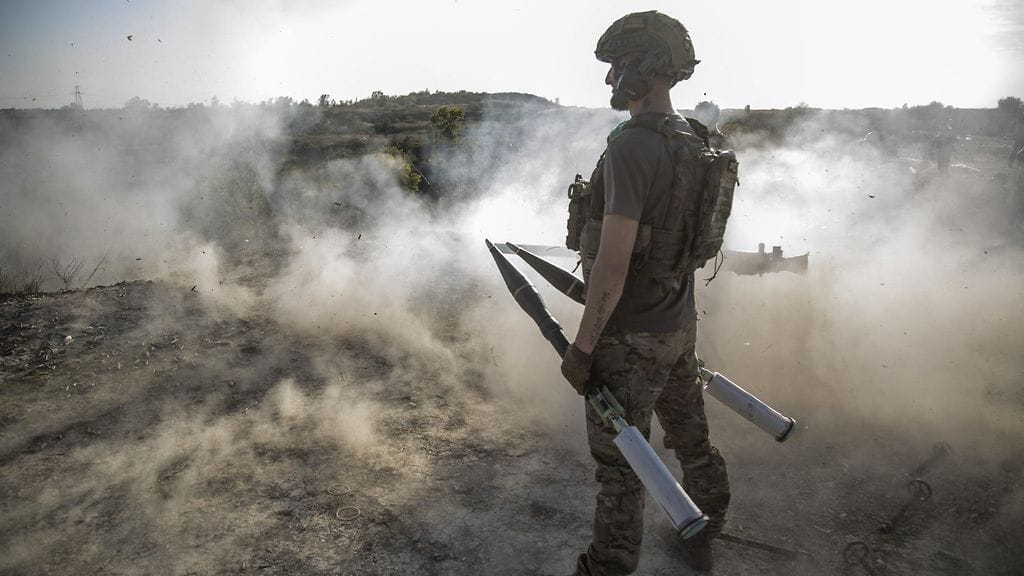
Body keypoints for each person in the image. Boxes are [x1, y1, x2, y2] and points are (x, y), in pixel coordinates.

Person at [559, 11, 731, 575]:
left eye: (620, 68)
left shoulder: (633, 146)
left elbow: (611, 262)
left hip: (628, 335)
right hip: (677, 324)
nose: (611, 81)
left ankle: (606, 566)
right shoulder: (694, 140)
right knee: (689, 433)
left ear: (648, 69)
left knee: (620, 463)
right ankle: (711, 515)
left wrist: (583, 349)